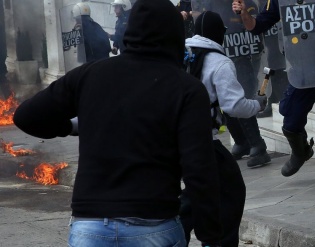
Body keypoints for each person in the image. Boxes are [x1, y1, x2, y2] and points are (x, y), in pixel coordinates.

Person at [13, 1, 222, 246]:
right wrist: (211, 236)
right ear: (176, 35)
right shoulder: (186, 88)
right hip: (153, 224)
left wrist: (70, 127)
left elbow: (26, 116)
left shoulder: (89, 75)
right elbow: (199, 169)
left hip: (90, 226)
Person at [232, 0, 315, 194]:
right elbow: (257, 26)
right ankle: (301, 152)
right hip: (304, 66)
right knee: (289, 116)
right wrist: (244, 14)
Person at [180, 11, 267, 247]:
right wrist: (257, 105)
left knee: (197, 188)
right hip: (201, 140)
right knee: (231, 190)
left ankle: (179, 234)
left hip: (170, 136)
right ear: (221, 34)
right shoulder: (219, 62)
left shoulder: (180, 53)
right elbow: (234, 105)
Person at [193, 0, 271, 168]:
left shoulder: (243, 2)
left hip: (243, 58)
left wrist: (243, 13)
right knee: (225, 103)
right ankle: (241, 141)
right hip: (220, 56)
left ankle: (258, 145)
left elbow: (254, 28)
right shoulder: (210, 5)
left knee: (241, 99)